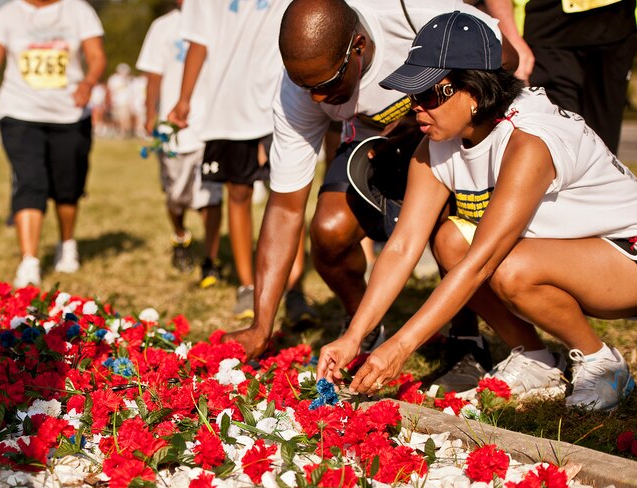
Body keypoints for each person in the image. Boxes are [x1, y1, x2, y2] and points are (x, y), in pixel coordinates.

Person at [317, 10, 637, 411]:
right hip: (576, 253)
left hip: (626, 253)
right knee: (451, 240)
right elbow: (402, 247)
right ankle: (535, 359)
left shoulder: (527, 143)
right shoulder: (436, 143)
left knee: (505, 265)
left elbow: (482, 263)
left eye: (429, 94)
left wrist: (401, 346)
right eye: (412, 95)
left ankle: (602, 363)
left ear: (474, 89)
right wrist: (355, 337)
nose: (416, 108)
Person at [224, 0, 509, 376]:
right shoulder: (302, 89)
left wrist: (436, 110)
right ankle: (363, 326)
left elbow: (505, 56)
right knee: (328, 231)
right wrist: (262, 325)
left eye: (326, 84)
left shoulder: (410, 11)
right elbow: (285, 207)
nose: (318, 99)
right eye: (304, 86)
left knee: (447, 232)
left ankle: (465, 336)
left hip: (447, 133)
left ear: (358, 45)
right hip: (372, 145)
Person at [167, 0, 316, 324]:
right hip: (229, 103)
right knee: (238, 193)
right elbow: (198, 42)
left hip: (284, 96)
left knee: (291, 192)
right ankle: (247, 287)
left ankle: (293, 290)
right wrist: (184, 98)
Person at [0, 0, 106, 289]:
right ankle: (29, 260)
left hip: (69, 113)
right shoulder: (8, 14)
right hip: (20, 112)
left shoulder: (78, 10)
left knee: (67, 187)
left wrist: (89, 82)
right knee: (30, 181)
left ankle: (66, 244)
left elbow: (96, 56)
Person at [136, 0, 224, 280]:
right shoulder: (163, 26)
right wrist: (150, 112)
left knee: (211, 195)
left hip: (212, 122)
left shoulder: (219, 19)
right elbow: (153, 75)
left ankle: (211, 258)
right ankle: (180, 234)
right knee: (176, 196)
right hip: (174, 125)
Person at [514, 0, 637, 154]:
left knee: (603, 150)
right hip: (547, 33)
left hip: (615, 31)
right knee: (556, 144)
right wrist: (513, 39)